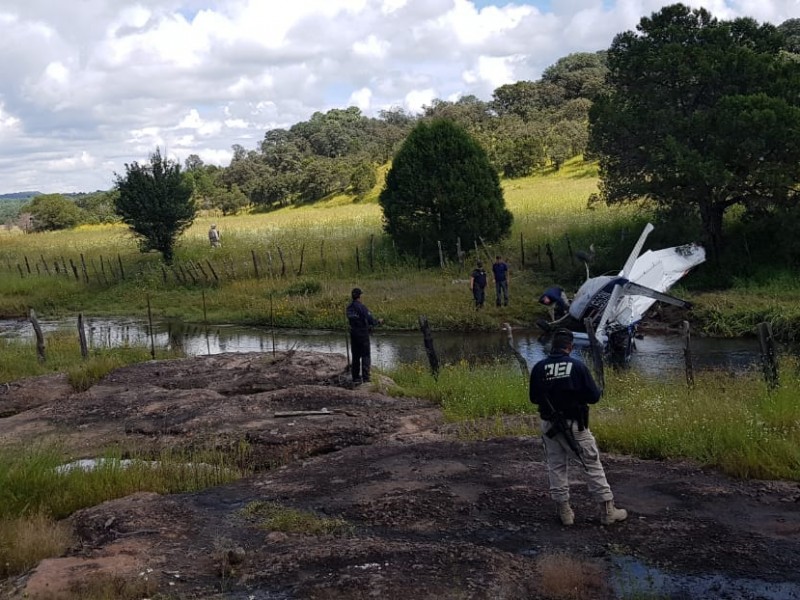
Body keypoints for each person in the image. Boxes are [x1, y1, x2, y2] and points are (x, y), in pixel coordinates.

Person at [529, 328, 627, 526]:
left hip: (550, 426)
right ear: (570, 347)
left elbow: (533, 398)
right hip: (575, 425)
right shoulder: (577, 366)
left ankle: (564, 513)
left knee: (556, 466)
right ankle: (608, 511)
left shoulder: (539, 367)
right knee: (591, 465)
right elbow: (594, 396)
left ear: (552, 346)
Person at [346, 288, 383, 384]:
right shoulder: (362, 307)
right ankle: (366, 378)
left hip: (353, 335)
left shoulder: (349, 308)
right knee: (366, 355)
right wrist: (378, 321)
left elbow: (353, 319)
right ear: (359, 296)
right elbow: (370, 320)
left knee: (355, 357)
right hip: (363, 335)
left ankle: (356, 378)